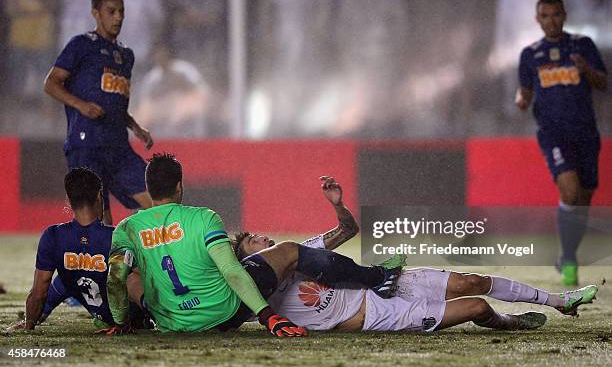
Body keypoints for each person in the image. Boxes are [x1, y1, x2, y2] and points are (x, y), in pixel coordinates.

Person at [234, 176, 599, 332]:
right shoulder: (253, 292)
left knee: (473, 280)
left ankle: (560, 300)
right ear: (244, 261)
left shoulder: (295, 252)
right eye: (251, 240)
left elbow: (347, 231)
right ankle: (508, 322)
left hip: (387, 283)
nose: (261, 238)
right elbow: (229, 316)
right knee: (478, 308)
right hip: (377, 313)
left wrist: (339, 204)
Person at [106, 154, 402, 335]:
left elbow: (115, 279)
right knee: (288, 249)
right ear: (180, 186)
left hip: (171, 321)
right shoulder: (202, 218)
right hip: (223, 312)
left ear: (148, 190)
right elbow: (233, 271)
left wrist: (121, 321)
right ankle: (379, 277)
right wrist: (267, 316)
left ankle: (142, 316)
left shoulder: (127, 229)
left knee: (131, 272)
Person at [515, 0, 608, 285]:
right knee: (569, 192)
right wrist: (520, 99)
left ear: (564, 15)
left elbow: (603, 83)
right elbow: (525, 91)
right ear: (537, 20)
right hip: (553, 133)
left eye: (556, 14)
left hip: (586, 132)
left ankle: (568, 254)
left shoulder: (583, 45)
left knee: (582, 199)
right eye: (545, 16)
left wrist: (587, 70)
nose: (551, 21)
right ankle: (569, 259)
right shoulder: (530, 55)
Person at [43, 0, 153, 226]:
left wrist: (135, 127)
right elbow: (51, 84)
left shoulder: (126, 55)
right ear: (95, 13)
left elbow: (115, 102)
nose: (118, 17)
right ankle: (112, 261)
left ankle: (141, 250)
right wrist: (80, 105)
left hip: (118, 146)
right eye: (111, 11)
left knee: (156, 200)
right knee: (100, 221)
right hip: (86, 144)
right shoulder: (81, 45)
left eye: (121, 12)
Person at [5, 168, 147, 331]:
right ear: (98, 198)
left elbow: (39, 293)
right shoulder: (116, 236)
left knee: (67, 277)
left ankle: (32, 320)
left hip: (95, 308)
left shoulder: (53, 236)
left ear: (68, 200)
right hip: (131, 318)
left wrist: (29, 324)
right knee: (135, 273)